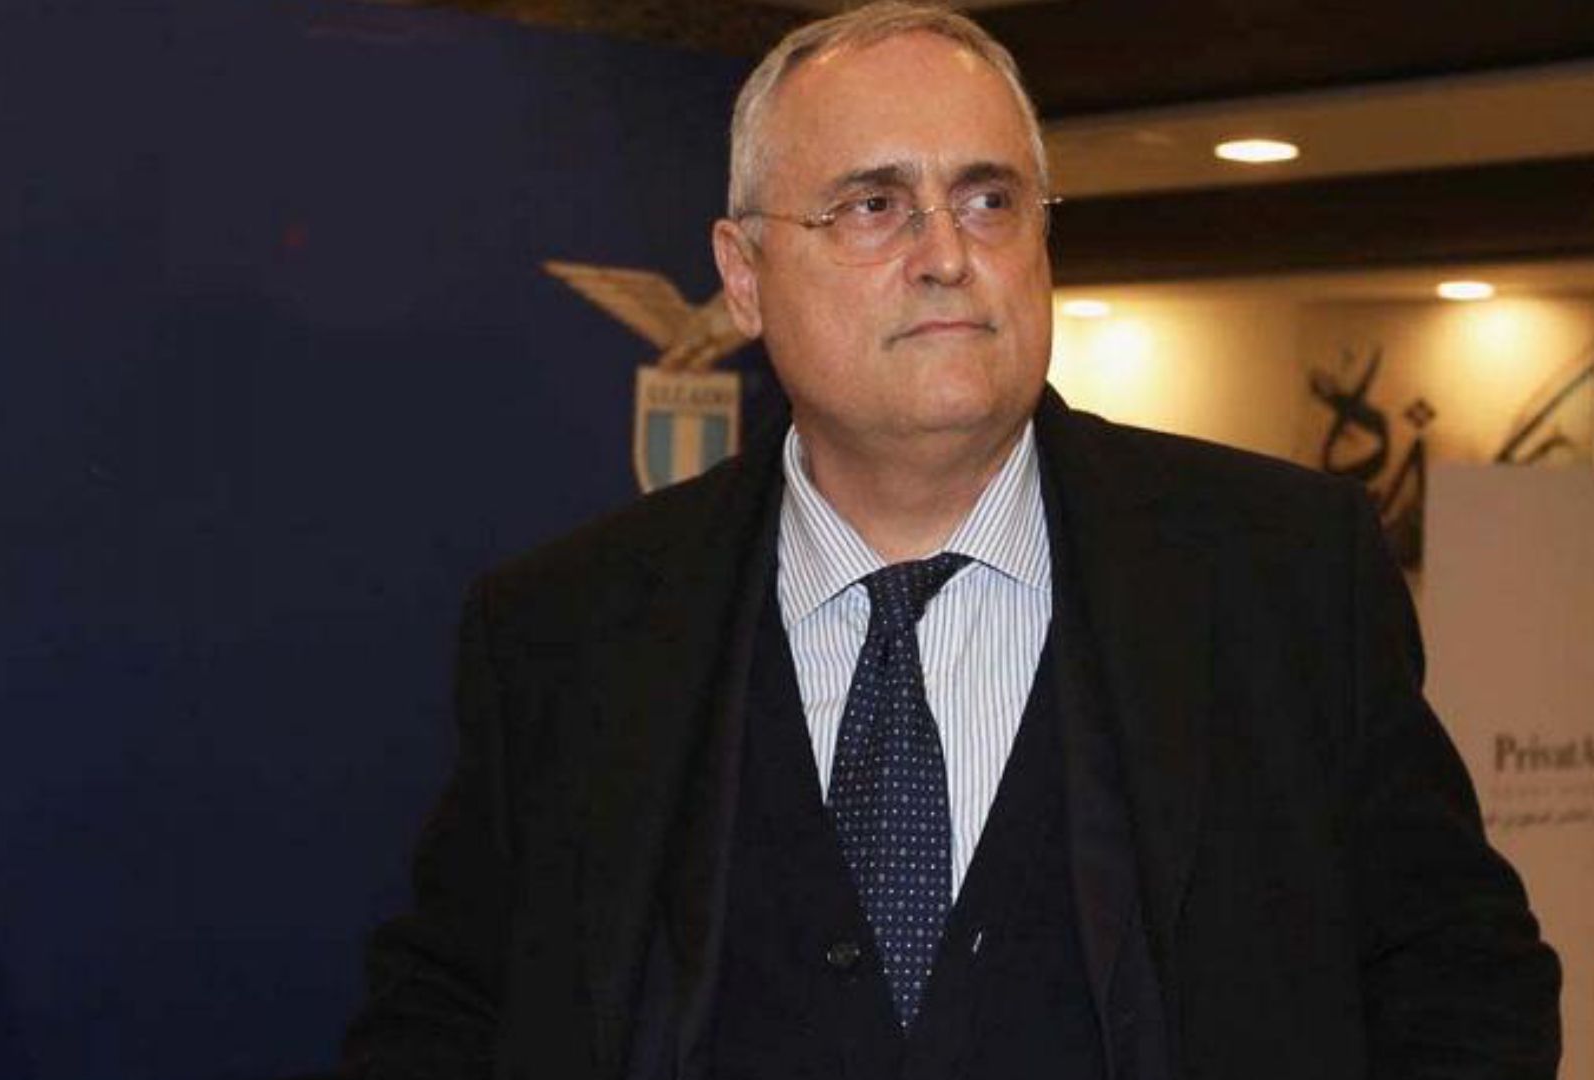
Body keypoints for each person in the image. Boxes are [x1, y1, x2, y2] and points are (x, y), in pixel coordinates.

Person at [337, 3, 1562, 1078]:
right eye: (874, 205)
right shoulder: (565, 633)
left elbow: (1463, 978)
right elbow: (446, 1011)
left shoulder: (1283, 575)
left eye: (989, 199)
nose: (946, 255)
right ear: (744, 275)